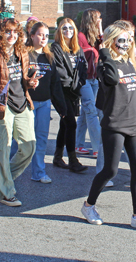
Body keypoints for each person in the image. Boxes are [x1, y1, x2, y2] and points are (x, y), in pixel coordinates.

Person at [81, 22, 136, 232]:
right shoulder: (105, 66)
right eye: (121, 40)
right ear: (111, 41)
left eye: (128, 40)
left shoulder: (129, 64)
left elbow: (135, 93)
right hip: (114, 125)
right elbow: (113, 79)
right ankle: (89, 206)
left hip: (133, 125)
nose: (126, 45)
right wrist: (104, 52)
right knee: (110, 170)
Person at [0, 18, 39, 207]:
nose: (12, 35)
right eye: (7, 31)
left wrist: (31, 83)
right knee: (2, 151)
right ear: (0, 34)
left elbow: (23, 80)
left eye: (15, 32)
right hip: (2, 109)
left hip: (23, 104)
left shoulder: (22, 53)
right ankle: (6, 192)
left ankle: (5, 178)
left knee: (29, 148)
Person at [26, 22, 67, 183]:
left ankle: (39, 172)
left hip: (44, 103)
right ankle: (10, 170)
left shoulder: (49, 57)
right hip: (27, 104)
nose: (44, 38)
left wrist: (62, 107)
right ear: (32, 35)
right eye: (40, 34)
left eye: (46, 35)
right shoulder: (25, 55)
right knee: (21, 140)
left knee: (41, 138)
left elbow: (55, 84)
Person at [50, 18, 88, 173]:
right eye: (64, 28)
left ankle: (57, 157)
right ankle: (73, 160)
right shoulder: (56, 47)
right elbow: (59, 72)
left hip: (73, 92)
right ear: (59, 30)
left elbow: (84, 68)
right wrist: (73, 84)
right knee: (71, 124)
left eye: (71, 28)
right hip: (61, 92)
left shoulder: (77, 49)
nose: (68, 31)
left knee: (64, 124)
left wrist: (79, 83)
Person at [75, 9, 104, 158]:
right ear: (92, 19)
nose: (100, 19)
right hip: (84, 79)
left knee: (85, 114)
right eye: (98, 18)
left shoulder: (96, 38)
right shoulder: (80, 37)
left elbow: (105, 48)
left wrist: (100, 30)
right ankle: (98, 147)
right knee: (92, 111)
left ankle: (78, 145)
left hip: (95, 79)